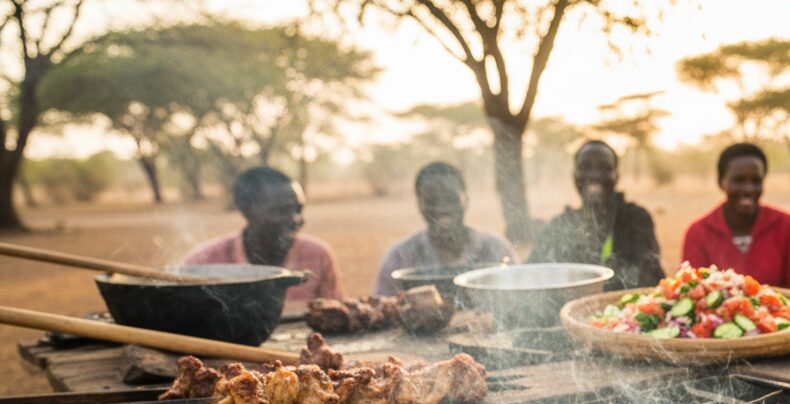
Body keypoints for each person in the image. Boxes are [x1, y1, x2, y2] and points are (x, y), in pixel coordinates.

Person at [183, 166, 342, 301]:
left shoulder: (317, 256)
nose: (296, 219)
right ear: (247, 210)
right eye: (281, 211)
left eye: (299, 209)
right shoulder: (203, 264)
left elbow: (337, 315)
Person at [529, 140, 663, 291]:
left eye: (604, 168)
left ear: (616, 176)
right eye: (585, 168)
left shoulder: (636, 220)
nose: (594, 175)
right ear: (574, 176)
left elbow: (649, 278)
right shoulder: (559, 225)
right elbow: (531, 273)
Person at [681, 143, 790, 292]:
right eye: (738, 180)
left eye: (756, 181)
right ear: (721, 182)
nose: (748, 189)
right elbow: (692, 291)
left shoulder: (786, 227)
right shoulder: (699, 233)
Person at [373, 162, 514, 296]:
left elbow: (517, 299)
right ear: (419, 203)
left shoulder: (495, 250)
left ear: (466, 199)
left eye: (451, 199)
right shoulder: (400, 258)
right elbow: (382, 307)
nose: (442, 209)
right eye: (431, 201)